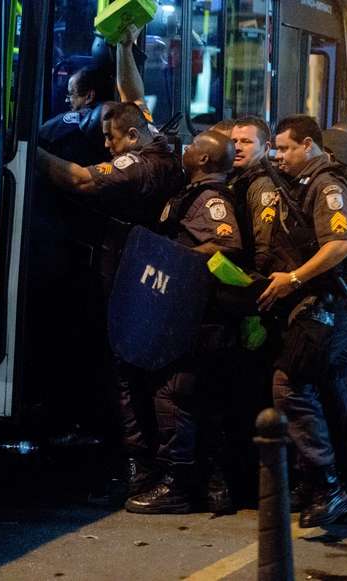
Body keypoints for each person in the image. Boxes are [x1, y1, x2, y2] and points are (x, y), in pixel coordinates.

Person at [37, 101, 184, 496]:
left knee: (128, 373)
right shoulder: (165, 144)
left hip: (129, 277)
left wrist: (24, 147)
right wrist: (123, 47)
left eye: (111, 137)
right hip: (144, 276)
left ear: (133, 136)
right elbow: (132, 96)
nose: (106, 146)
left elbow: (82, 181)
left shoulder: (140, 164)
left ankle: (141, 466)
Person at [125, 131, 244, 514]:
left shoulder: (210, 199)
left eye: (193, 147)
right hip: (189, 313)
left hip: (201, 317)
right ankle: (212, 487)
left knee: (174, 395)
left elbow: (227, 246)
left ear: (206, 160)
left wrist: (174, 257)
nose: (186, 149)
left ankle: (176, 486)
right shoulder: (189, 192)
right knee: (197, 401)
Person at [258, 115, 347, 527]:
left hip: (333, 302)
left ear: (308, 145)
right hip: (322, 300)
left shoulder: (327, 184)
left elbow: (341, 244)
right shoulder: (308, 181)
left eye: (284, 148)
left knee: (290, 382)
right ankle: (343, 485)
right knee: (329, 389)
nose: (278, 156)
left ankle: (328, 483)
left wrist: (294, 279)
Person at [228, 116, 277, 272]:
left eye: (246, 141)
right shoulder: (237, 177)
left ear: (266, 147)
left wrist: (255, 283)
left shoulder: (263, 184)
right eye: (234, 141)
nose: (237, 147)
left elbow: (264, 244)